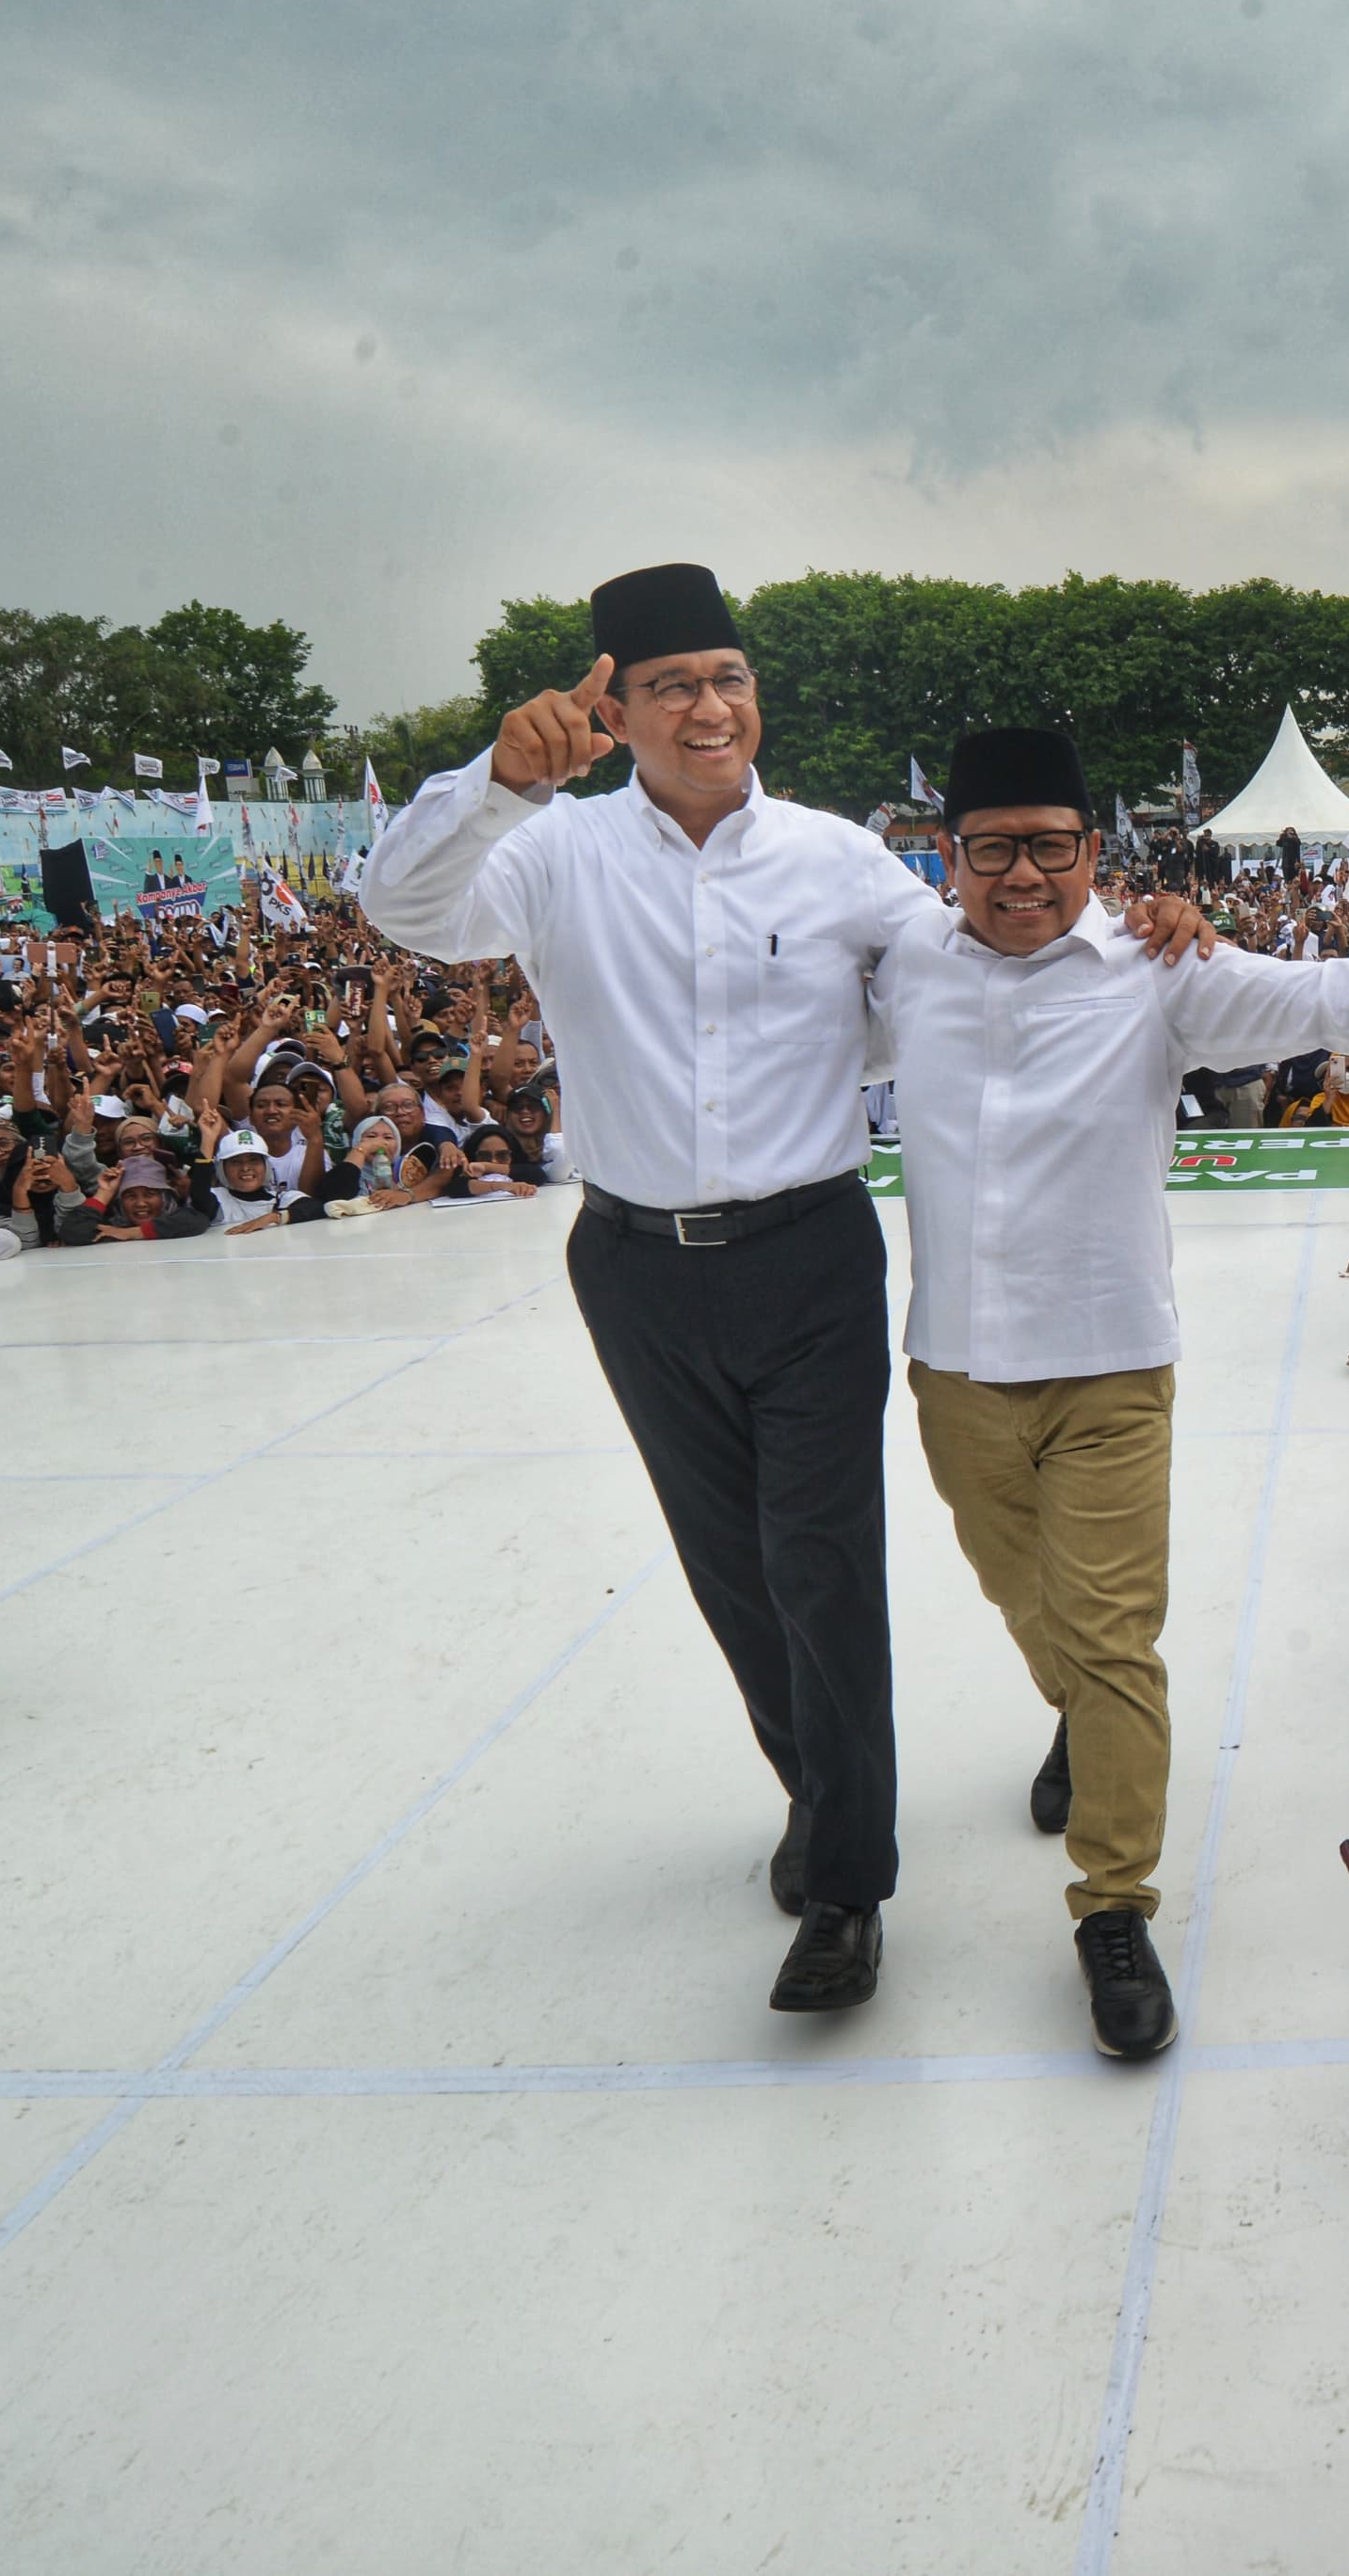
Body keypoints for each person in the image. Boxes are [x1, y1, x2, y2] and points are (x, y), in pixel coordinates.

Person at [866, 724, 1349, 2054]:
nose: (1020, 875)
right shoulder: (902, 965)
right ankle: (1079, 1721)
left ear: (1095, 853)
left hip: (1108, 1366)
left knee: (1113, 1632)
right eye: (990, 849)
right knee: (1024, 1599)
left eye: (1049, 846)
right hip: (956, 1366)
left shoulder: (1161, 969)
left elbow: (1326, 996)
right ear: (946, 857)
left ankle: (1113, 1903)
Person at [361, 563, 964, 2015]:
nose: (713, 707)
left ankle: (846, 1886)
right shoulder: (554, 852)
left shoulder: (836, 858)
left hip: (813, 1251)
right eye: (677, 684)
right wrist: (495, 783)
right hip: (636, 1264)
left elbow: (946, 996)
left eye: (733, 678)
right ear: (610, 709)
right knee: (731, 1565)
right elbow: (407, 908)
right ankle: (819, 1790)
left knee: (826, 1564)